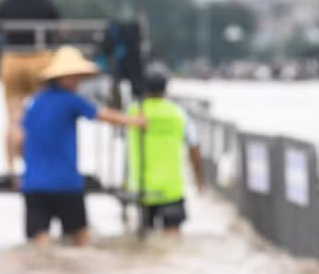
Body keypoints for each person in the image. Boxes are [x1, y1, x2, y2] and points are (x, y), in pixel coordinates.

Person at [13, 46, 146, 247]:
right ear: (62, 78)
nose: (79, 81)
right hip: (65, 184)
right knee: (81, 237)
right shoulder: (71, 101)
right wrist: (134, 121)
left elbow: (18, 139)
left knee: (41, 240)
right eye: (75, 77)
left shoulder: (34, 103)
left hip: (33, 184)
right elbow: (103, 115)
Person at [0, 0, 60, 178]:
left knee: (13, 116)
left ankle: (11, 168)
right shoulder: (45, 4)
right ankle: (43, 163)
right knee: (44, 114)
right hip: (40, 60)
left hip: (11, 60)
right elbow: (55, 29)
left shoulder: (6, 4)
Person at [126, 71, 206, 234]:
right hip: (172, 188)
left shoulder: (133, 112)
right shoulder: (178, 113)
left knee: (145, 237)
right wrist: (199, 179)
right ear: (166, 90)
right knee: (172, 238)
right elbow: (194, 147)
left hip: (142, 187)